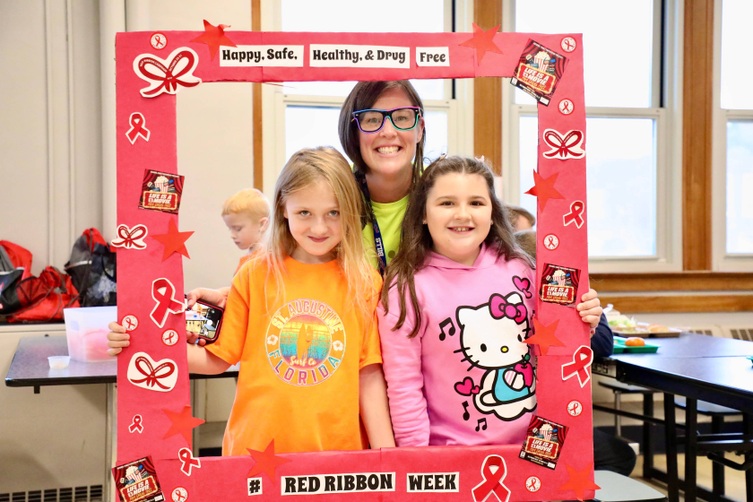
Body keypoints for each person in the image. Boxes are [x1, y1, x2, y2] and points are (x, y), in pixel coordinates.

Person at [108, 147, 395, 455]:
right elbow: (218, 358)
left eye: (333, 213)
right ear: (283, 209)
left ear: (350, 212)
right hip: (255, 458)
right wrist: (141, 342)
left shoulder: (364, 282)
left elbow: (369, 375)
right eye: (305, 213)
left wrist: (388, 460)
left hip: (336, 458)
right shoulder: (254, 274)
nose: (320, 227)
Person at [377, 155, 604, 447]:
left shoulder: (524, 267)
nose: (463, 214)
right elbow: (404, 388)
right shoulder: (405, 288)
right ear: (422, 213)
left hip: (534, 451)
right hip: (450, 461)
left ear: (492, 212)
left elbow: (561, 346)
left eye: (476, 203)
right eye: (447, 203)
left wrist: (586, 319)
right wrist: (418, 464)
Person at [514, 228, 636, 476]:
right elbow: (603, 345)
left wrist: (590, 316)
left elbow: (602, 343)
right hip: (538, 420)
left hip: (545, 417)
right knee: (618, 456)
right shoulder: (530, 296)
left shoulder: (574, 295)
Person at [338, 80, 426, 272]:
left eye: (402, 118)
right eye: (372, 119)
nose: (388, 132)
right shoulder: (334, 194)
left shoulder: (444, 193)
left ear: (419, 129)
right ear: (355, 133)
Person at [221, 187, 270, 272]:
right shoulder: (250, 258)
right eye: (230, 229)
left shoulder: (262, 261)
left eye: (238, 229)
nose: (232, 235)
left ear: (262, 224)